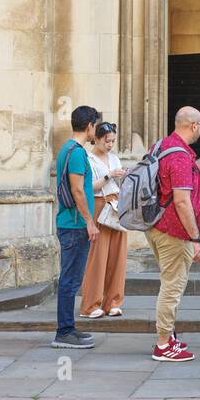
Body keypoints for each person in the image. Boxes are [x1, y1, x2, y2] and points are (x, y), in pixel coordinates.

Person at [146, 105, 200, 363]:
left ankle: (169, 337)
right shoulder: (179, 156)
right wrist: (195, 238)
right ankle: (163, 344)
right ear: (193, 126)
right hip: (175, 232)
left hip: (158, 227)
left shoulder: (164, 146)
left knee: (170, 282)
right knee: (173, 286)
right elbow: (181, 201)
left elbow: (183, 177)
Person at [52, 105, 100, 349]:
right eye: (95, 126)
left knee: (71, 278)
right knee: (70, 280)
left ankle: (68, 327)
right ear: (89, 125)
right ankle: (64, 331)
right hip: (74, 225)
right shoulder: (77, 153)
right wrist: (89, 222)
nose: (96, 132)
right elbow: (77, 190)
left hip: (71, 224)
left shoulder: (66, 150)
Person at [79, 122, 128, 319]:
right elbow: (87, 187)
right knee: (97, 257)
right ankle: (91, 304)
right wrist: (109, 175)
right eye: (107, 141)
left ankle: (113, 302)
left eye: (113, 141)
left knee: (118, 256)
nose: (110, 145)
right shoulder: (88, 159)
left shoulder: (114, 158)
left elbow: (119, 184)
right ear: (97, 138)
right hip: (99, 205)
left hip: (116, 204)